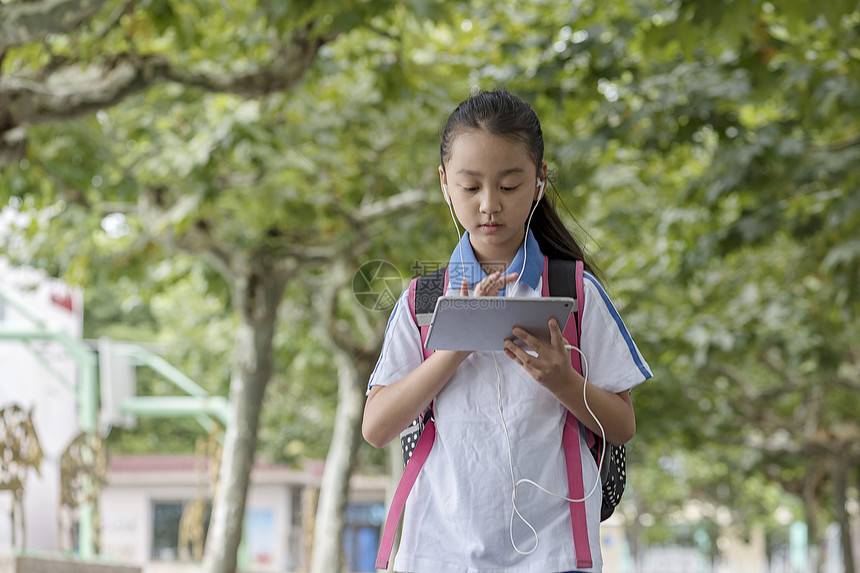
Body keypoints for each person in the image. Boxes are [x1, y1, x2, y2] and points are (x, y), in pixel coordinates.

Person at [362, 89, 652, 573]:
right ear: (444, 184)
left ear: (540, 181)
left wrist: (563, 381)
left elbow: (622, 426)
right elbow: (376, 428)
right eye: (471, 187)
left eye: (510, 185)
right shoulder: (424, 301)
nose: (489, 205)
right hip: (436, 552)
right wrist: (454, 346)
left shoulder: (575, 293)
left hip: (554, 555)